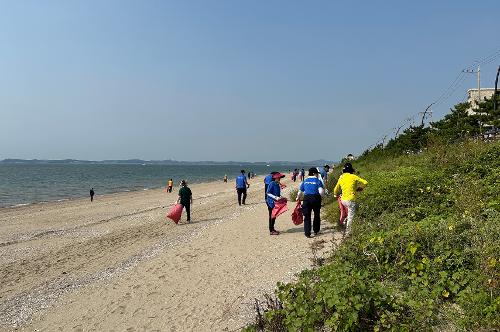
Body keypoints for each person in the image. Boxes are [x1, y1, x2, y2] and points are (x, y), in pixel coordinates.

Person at [333, 163, 368, 235]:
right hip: (351, 200)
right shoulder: (353, 176)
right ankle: (348, 233)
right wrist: (361, 188)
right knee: (351, 216)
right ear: (351, 170)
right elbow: (365, 182)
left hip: (343, 200)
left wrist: (335, 195)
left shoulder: (341, 177)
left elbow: (335, 189)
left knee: (355, 209)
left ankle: (352, 223)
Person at [297, 168, 324, 238]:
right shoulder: (318, 181)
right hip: (316, 198)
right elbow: (321, 191)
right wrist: (321, 197)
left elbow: (300, 191)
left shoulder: (305, 181)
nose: (317, 174)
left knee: (307, 216)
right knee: (316, 215)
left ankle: (307, 233)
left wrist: (298, 198)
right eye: (317, 173)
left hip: (306, 199)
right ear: (314, 173)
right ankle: (316, 231)